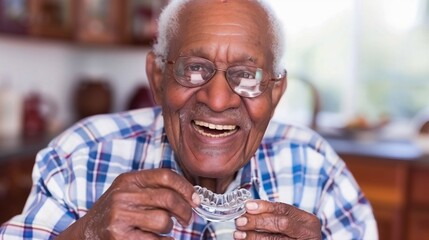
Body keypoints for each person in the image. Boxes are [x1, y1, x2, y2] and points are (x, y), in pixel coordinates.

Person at [0, 0, 378, 239]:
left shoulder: (317, 167)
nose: (216, 100)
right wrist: (85, 235)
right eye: (195, 68)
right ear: (158, 77)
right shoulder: (79, 156)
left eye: (246, 75)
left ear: (275, 92)